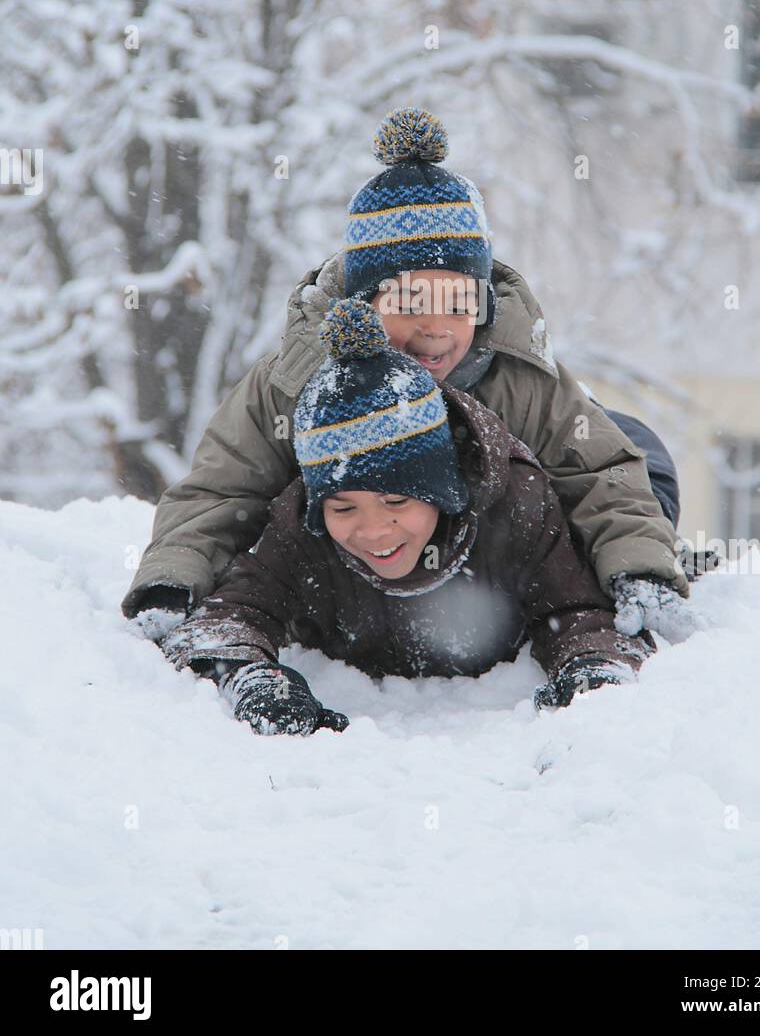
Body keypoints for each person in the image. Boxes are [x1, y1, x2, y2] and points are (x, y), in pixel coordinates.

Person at [123, 107, 693, 645]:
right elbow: (225, 487)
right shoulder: (298, 381)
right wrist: (176, 574)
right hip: (360, 577)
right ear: (362, 303)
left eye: (458, 303)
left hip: (493, 562)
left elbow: (599, 472)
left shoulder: (516, 377)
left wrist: (638, 562)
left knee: (634, 448)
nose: (436, 330)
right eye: (410, 303)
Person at [160, 298, 656, 736]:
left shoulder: (515, 505)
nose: (373, 529)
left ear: (441, 490)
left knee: (641, 455)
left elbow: (575, 612)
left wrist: (592, 669)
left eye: (397, 502)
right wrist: (253, 681)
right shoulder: (302, 527)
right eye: (343, 506)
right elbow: (226, 618)